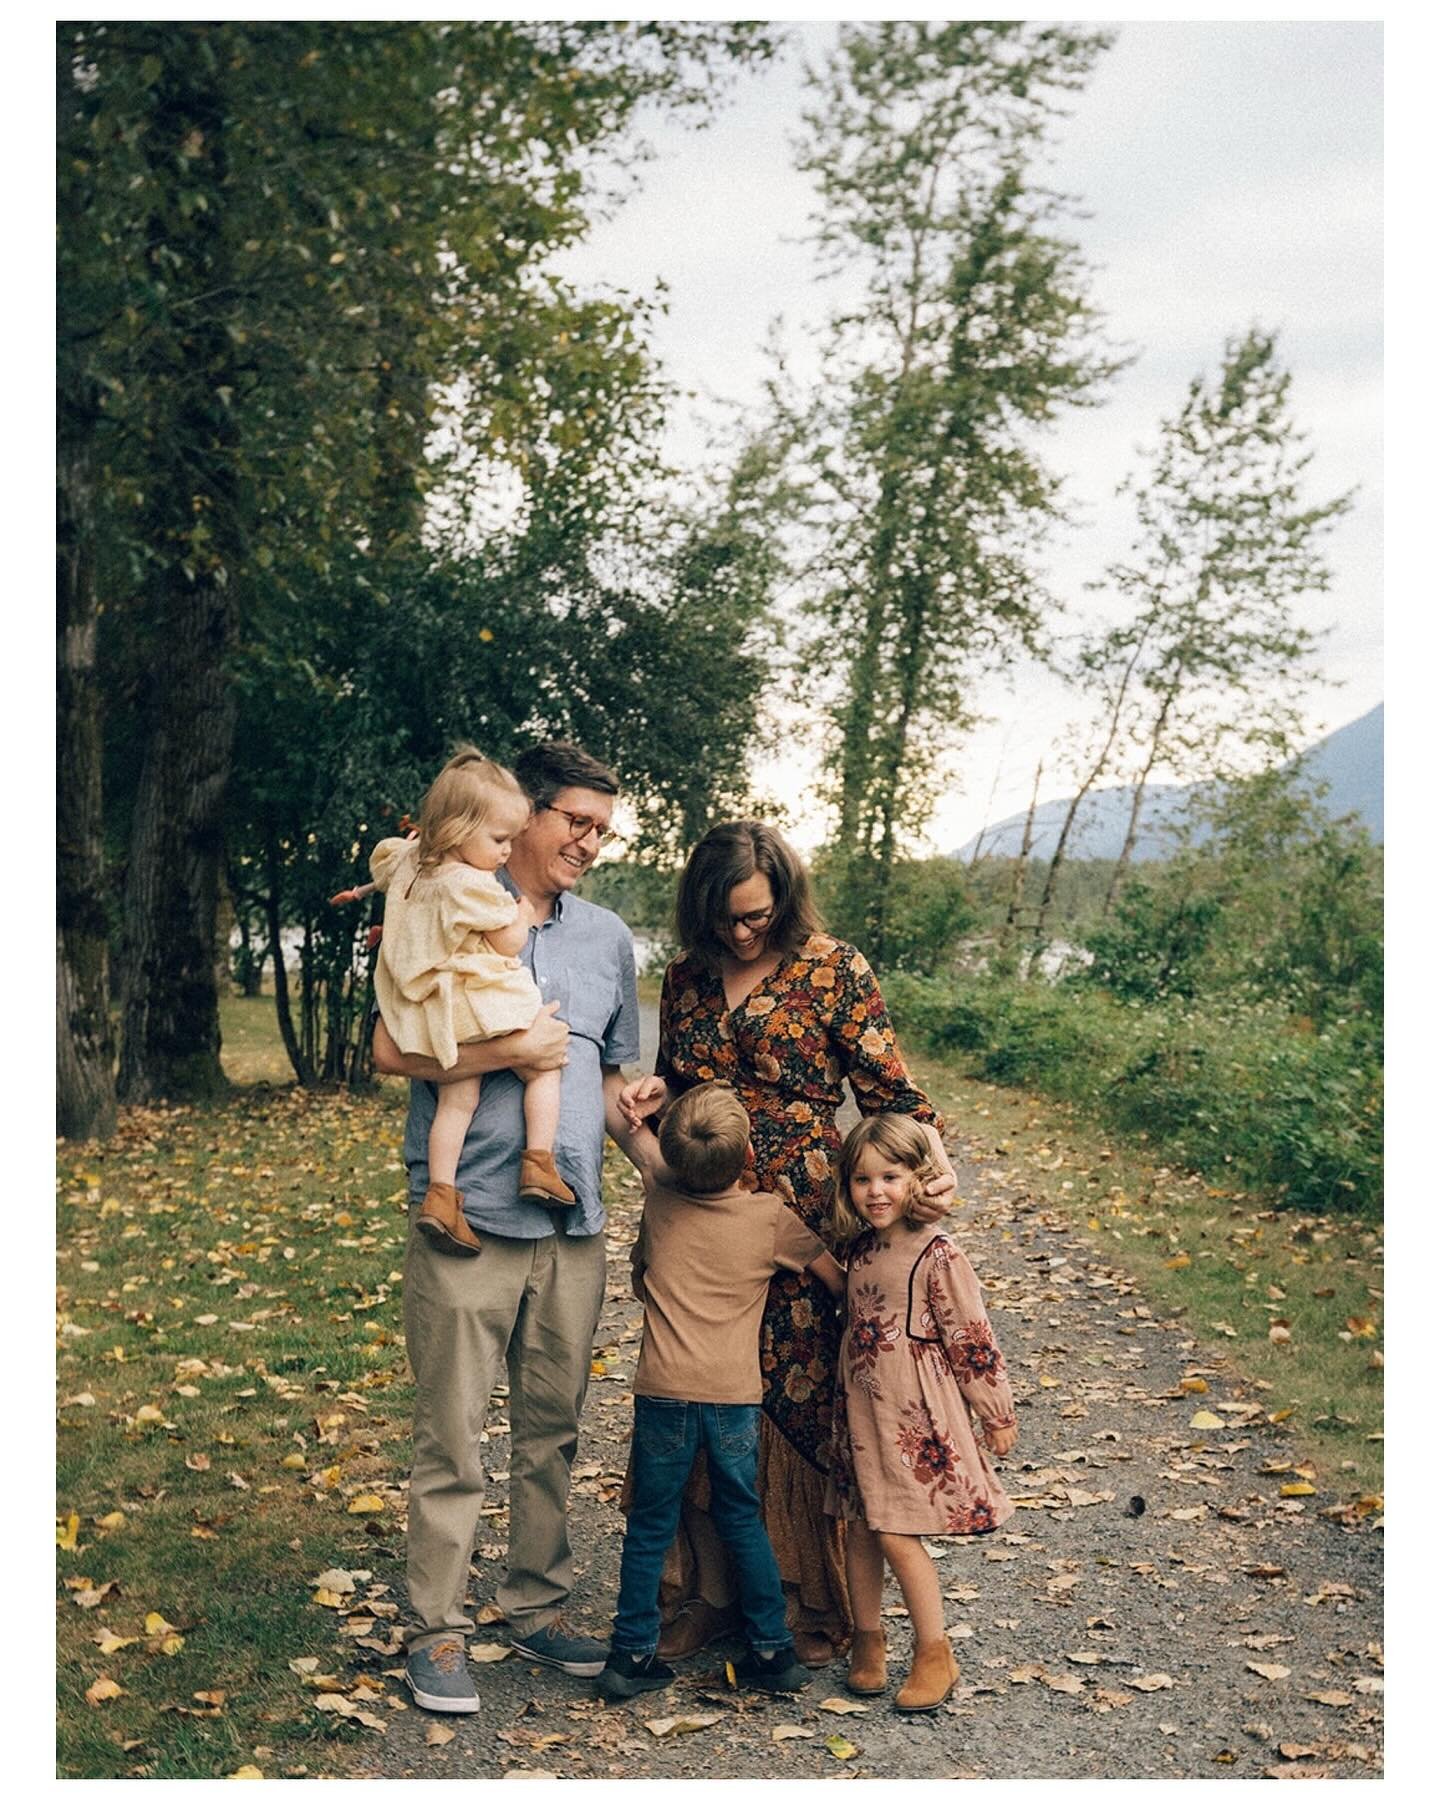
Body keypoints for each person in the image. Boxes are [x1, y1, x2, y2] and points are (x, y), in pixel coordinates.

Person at [617, 820, 956, 1667]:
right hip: (700, 1216)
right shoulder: (687, 976)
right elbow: (682, 1093)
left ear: (785, 901)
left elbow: (892, 1090)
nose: (742, 933)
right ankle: (711, 1595)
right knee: (696, 1389)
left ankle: (807, 1601)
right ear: (701, 909)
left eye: (758, 917)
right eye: (727, 918)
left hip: (801, 1212)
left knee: (797, 1400)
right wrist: (657, 1101)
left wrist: (934, 1172)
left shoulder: (834, 969)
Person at [371, 741, 639, 1715]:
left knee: (552, 1432)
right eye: (577, 822)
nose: (591, 843)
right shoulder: (440, 898)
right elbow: (388, 1048)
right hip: (469, 1223)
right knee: (453, 1437)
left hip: (572, 1228)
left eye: (603, 830)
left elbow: (608, 1079)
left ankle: (534, 1607)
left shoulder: (608, 938)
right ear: (523, 816)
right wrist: (509, 1046)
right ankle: (437, 1631)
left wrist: (661, 1159)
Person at [598, 1083, 845, 1702]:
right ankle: (772, 1649)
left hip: (662, 1392)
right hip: (735, 1397)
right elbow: (835, 1281)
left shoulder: (660, 1207)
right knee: (742, 1517)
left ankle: (629, 1655)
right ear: (748, 1152)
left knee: (651, 1524)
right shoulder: (769, 1219)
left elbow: (641, 1279)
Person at [824, 1113, 1017, 1711]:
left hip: (914, 1413)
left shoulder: (938, 1254)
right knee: (858, 1525)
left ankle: (935, 1651)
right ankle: (868, 1639)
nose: (876, 1191)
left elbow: (971, 1336)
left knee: (895, 1531)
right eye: (862, 1179)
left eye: (891, 1176)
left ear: (920, 1178)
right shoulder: (858, 1248)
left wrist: (995, 1411)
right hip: (859, 1409)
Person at [355, 749, 574, 1257]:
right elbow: (507, 944)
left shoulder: (412, 861)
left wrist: (360, 890)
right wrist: (518, 912)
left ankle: (441, 1195)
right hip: (474, 1000)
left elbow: (386, 872)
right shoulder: (472, 885)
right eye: (499, 840)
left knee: (457, 1101)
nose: (505, 853)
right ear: (457, 831)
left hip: (429, 1007)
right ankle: (538, 1161)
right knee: (544, 1063)